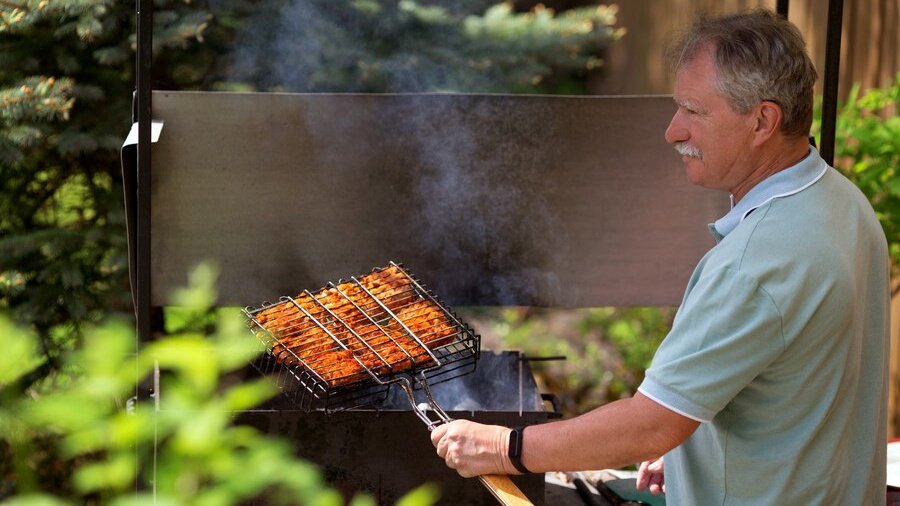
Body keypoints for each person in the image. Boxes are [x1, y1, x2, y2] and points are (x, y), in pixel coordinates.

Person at [430, 9, 890, 505]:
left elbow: (651, 424)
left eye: (694, 111)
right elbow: (800, 382)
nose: (673, 131)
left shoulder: (756, 262)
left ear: (763, 120)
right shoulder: (843, 202)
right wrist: (697, 446)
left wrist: (503, 445)